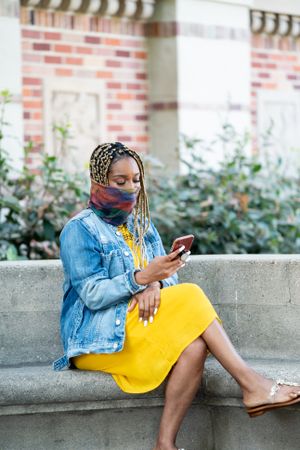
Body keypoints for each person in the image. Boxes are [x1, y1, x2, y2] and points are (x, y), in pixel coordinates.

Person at [54, 142, 300, 450]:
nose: (131, 188)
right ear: (97, 182)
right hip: (96, 339)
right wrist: (142, 278)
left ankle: (165, 444)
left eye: (136, 180)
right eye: (120, 182)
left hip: (135, 325)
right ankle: (252, 383)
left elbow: (168, 275)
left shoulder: (142, 223)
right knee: (192, 295)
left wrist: (154, 284)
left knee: (195, 346)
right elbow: (91, 293)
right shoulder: (80, 230)